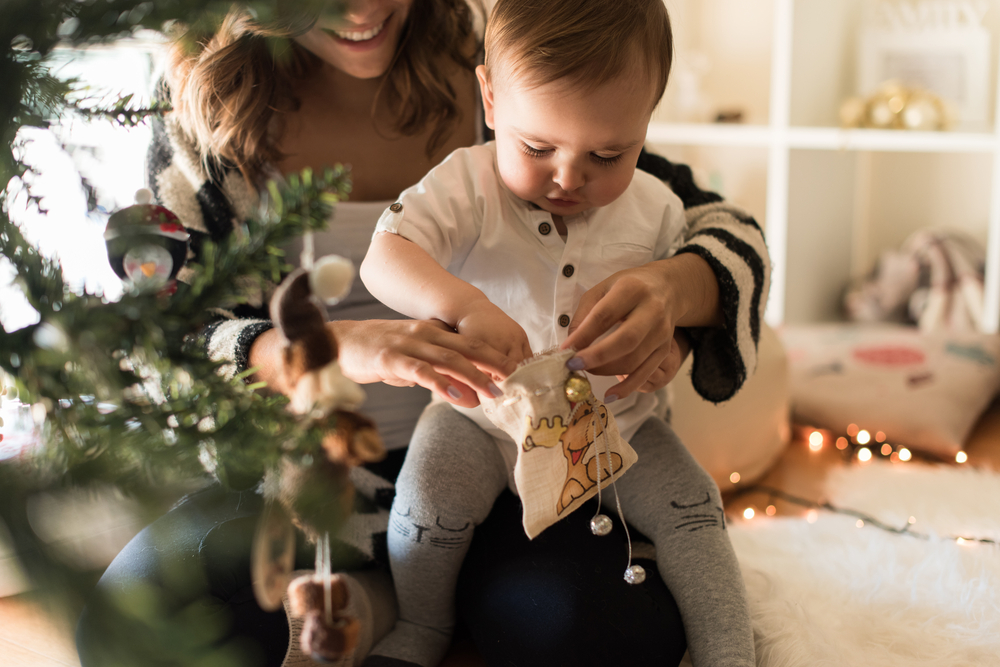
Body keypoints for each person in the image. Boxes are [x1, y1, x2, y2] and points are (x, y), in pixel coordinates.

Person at [75, 0, 771, 665]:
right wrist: (326, 350)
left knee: (607, 633)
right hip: (296, 481)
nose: (362, 11)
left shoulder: (499, 53)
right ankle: (397, 597)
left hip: (509, 465)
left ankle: (426, 595)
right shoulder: (206, 108)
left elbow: (714, 225)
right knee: (136, 625)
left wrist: (675, 294)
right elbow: (166, 333)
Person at [358, 1, 754, 665]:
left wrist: (675, 349)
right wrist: (463, 304)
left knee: (695, 508)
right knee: (425, 501)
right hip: (477, 417)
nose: (569, 177)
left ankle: (730, 649)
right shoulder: (469, 183)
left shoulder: (659, 206)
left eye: (607, 153)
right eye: (536, 148)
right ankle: (422, 626)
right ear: (489, 98)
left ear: (647, 120)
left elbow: (694, 301)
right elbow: (383, 257)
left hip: (618, 425)